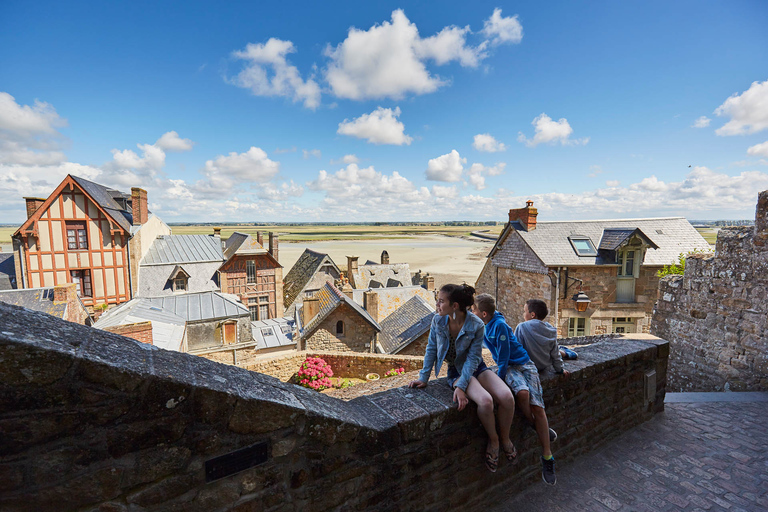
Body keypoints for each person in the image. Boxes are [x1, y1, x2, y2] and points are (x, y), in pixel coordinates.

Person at [409, 284, 517, 473]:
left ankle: (506, 438)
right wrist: (424, 377)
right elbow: (431, 349)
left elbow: (474, 358)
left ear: (455, 305)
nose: (437, 304)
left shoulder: (476, 324)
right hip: (456, 372)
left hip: (477, 367)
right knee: (485, 401)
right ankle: (494, 441)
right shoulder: (438, 321)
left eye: (441, 301)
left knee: (507, 397)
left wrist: (462, 387)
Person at [472, 293, 558, 485]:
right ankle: (537, 426)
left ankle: (547, 457)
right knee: (522, 393)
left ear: (484, 313)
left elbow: (503, 358)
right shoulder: (486, 323)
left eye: (474, 310)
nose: (472, 312)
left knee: (537, 405)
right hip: (510, 368)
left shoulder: (499, 326)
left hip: (522, 364)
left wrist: (499, 381)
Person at [515, 299, 570, 377]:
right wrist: (560, 369)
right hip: (542, 366)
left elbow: (516, 349)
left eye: (525, 311)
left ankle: (566, 353)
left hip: (528, 366)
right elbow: (555, 354)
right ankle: (567, 353)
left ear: (532, 315)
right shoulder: (550, 329)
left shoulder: (522, 327)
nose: (523, 314)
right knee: (560, 350)